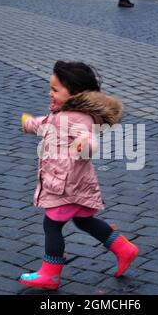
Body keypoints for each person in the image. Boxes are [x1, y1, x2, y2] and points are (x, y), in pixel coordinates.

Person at [19, 61, 139, 290]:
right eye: (50, 87)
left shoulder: (77, 118)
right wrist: (30, 124)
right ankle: (124, 249)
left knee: (52, 226)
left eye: (55, 89)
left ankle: (50, 274)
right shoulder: (63, 113)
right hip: (76, 182)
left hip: (66, 184)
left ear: (74, 93)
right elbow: (47, 125)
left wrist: (85, 145)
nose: (49, 92)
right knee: (84, 220)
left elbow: (88, 138)